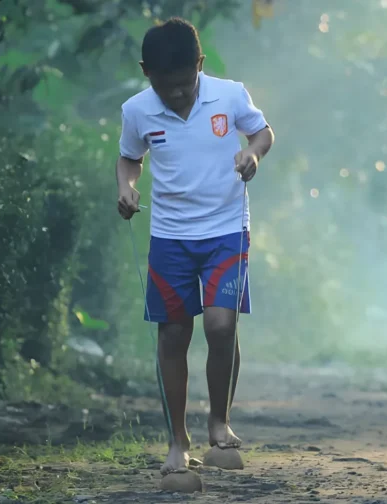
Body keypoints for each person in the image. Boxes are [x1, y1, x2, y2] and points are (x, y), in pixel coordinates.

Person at [115, 17, 274, 476]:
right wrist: (127, 187)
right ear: (147, 73)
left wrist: (253, 154)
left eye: (186, 84)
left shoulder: (229, 94)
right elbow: (130, 157)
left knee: (222, 327)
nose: (180, 95)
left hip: (226, 229)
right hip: (170, 237)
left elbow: (262, 132)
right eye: (168, 88)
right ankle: (177, 439)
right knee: (173, 334)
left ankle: (219, 423)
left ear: (199, 65)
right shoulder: (138, 110)